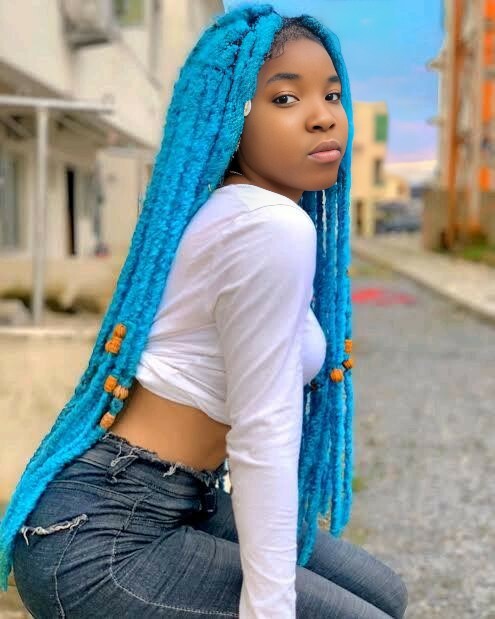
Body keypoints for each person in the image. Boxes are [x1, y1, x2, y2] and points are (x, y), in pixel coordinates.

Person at [0, 4, 408, 617]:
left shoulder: (239, 209)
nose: (324, 117)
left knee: (385, 594)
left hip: (170, 496)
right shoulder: (268, 226)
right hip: (106, 537)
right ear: (231, 117)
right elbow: (264, 432)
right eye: (285, 99)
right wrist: (269, 608)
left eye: (331, 94)